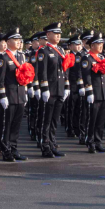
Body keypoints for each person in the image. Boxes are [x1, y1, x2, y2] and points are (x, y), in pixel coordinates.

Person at [0, 29, 30, 162]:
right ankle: (6, 150)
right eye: (15, 40)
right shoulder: (3, 57)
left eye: (19, 40)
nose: (19, 42)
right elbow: (0, 80)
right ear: (8, 42)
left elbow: (24, 76)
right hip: (9, 95)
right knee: (7, 124)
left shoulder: (21, 56)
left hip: (19, 94)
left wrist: (25, 92)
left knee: (16, 124)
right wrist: (2, 95)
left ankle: (14, 148)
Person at [36, 22, 69, 157]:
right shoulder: (44, 51)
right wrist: (44, 88)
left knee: (55, 120)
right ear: (48, 34)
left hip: (59, 89)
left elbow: (65, 70)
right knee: (46, 120)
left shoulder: (61, 50)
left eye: (59, 34)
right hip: (50, 90)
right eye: (55, 33)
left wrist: (66, 86)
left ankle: (52, 143)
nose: (58, 36)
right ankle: (45, 146)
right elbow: (42, 72)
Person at [81, 34, 105, 154]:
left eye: (102, 44)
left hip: (103, 92)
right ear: (92, 45)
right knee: (92, 119)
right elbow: (87, 76)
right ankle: (90, 142)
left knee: (101, 120)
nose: (101, 46)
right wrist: (89, 91)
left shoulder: (102, 57)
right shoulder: (87, 58)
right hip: (94, 93)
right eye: (98, 44)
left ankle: (98, 142)